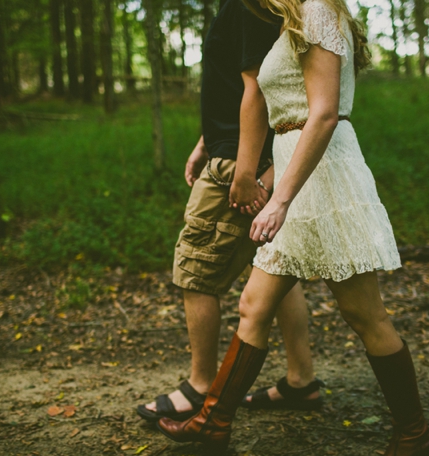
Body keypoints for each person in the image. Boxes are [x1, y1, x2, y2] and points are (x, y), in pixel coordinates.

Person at [157, 0, 429, 456]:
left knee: (363, 312)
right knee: (254, 304)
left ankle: (415, 435)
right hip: (294, 168)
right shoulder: (291, 19)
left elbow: (324, 114)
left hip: (322, 176)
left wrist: (279, 199)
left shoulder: (321, 11)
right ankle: (214, 421)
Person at [136, 0, 323, 424]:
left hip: (241, 163)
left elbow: (258, 88)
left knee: (195, 270)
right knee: (275, 266)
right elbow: (232, 85)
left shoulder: (247, 4)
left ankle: (200, 386)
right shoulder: (243, 6)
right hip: (240, 151)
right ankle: (301, 380)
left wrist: (242, 169)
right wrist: (207, 139)